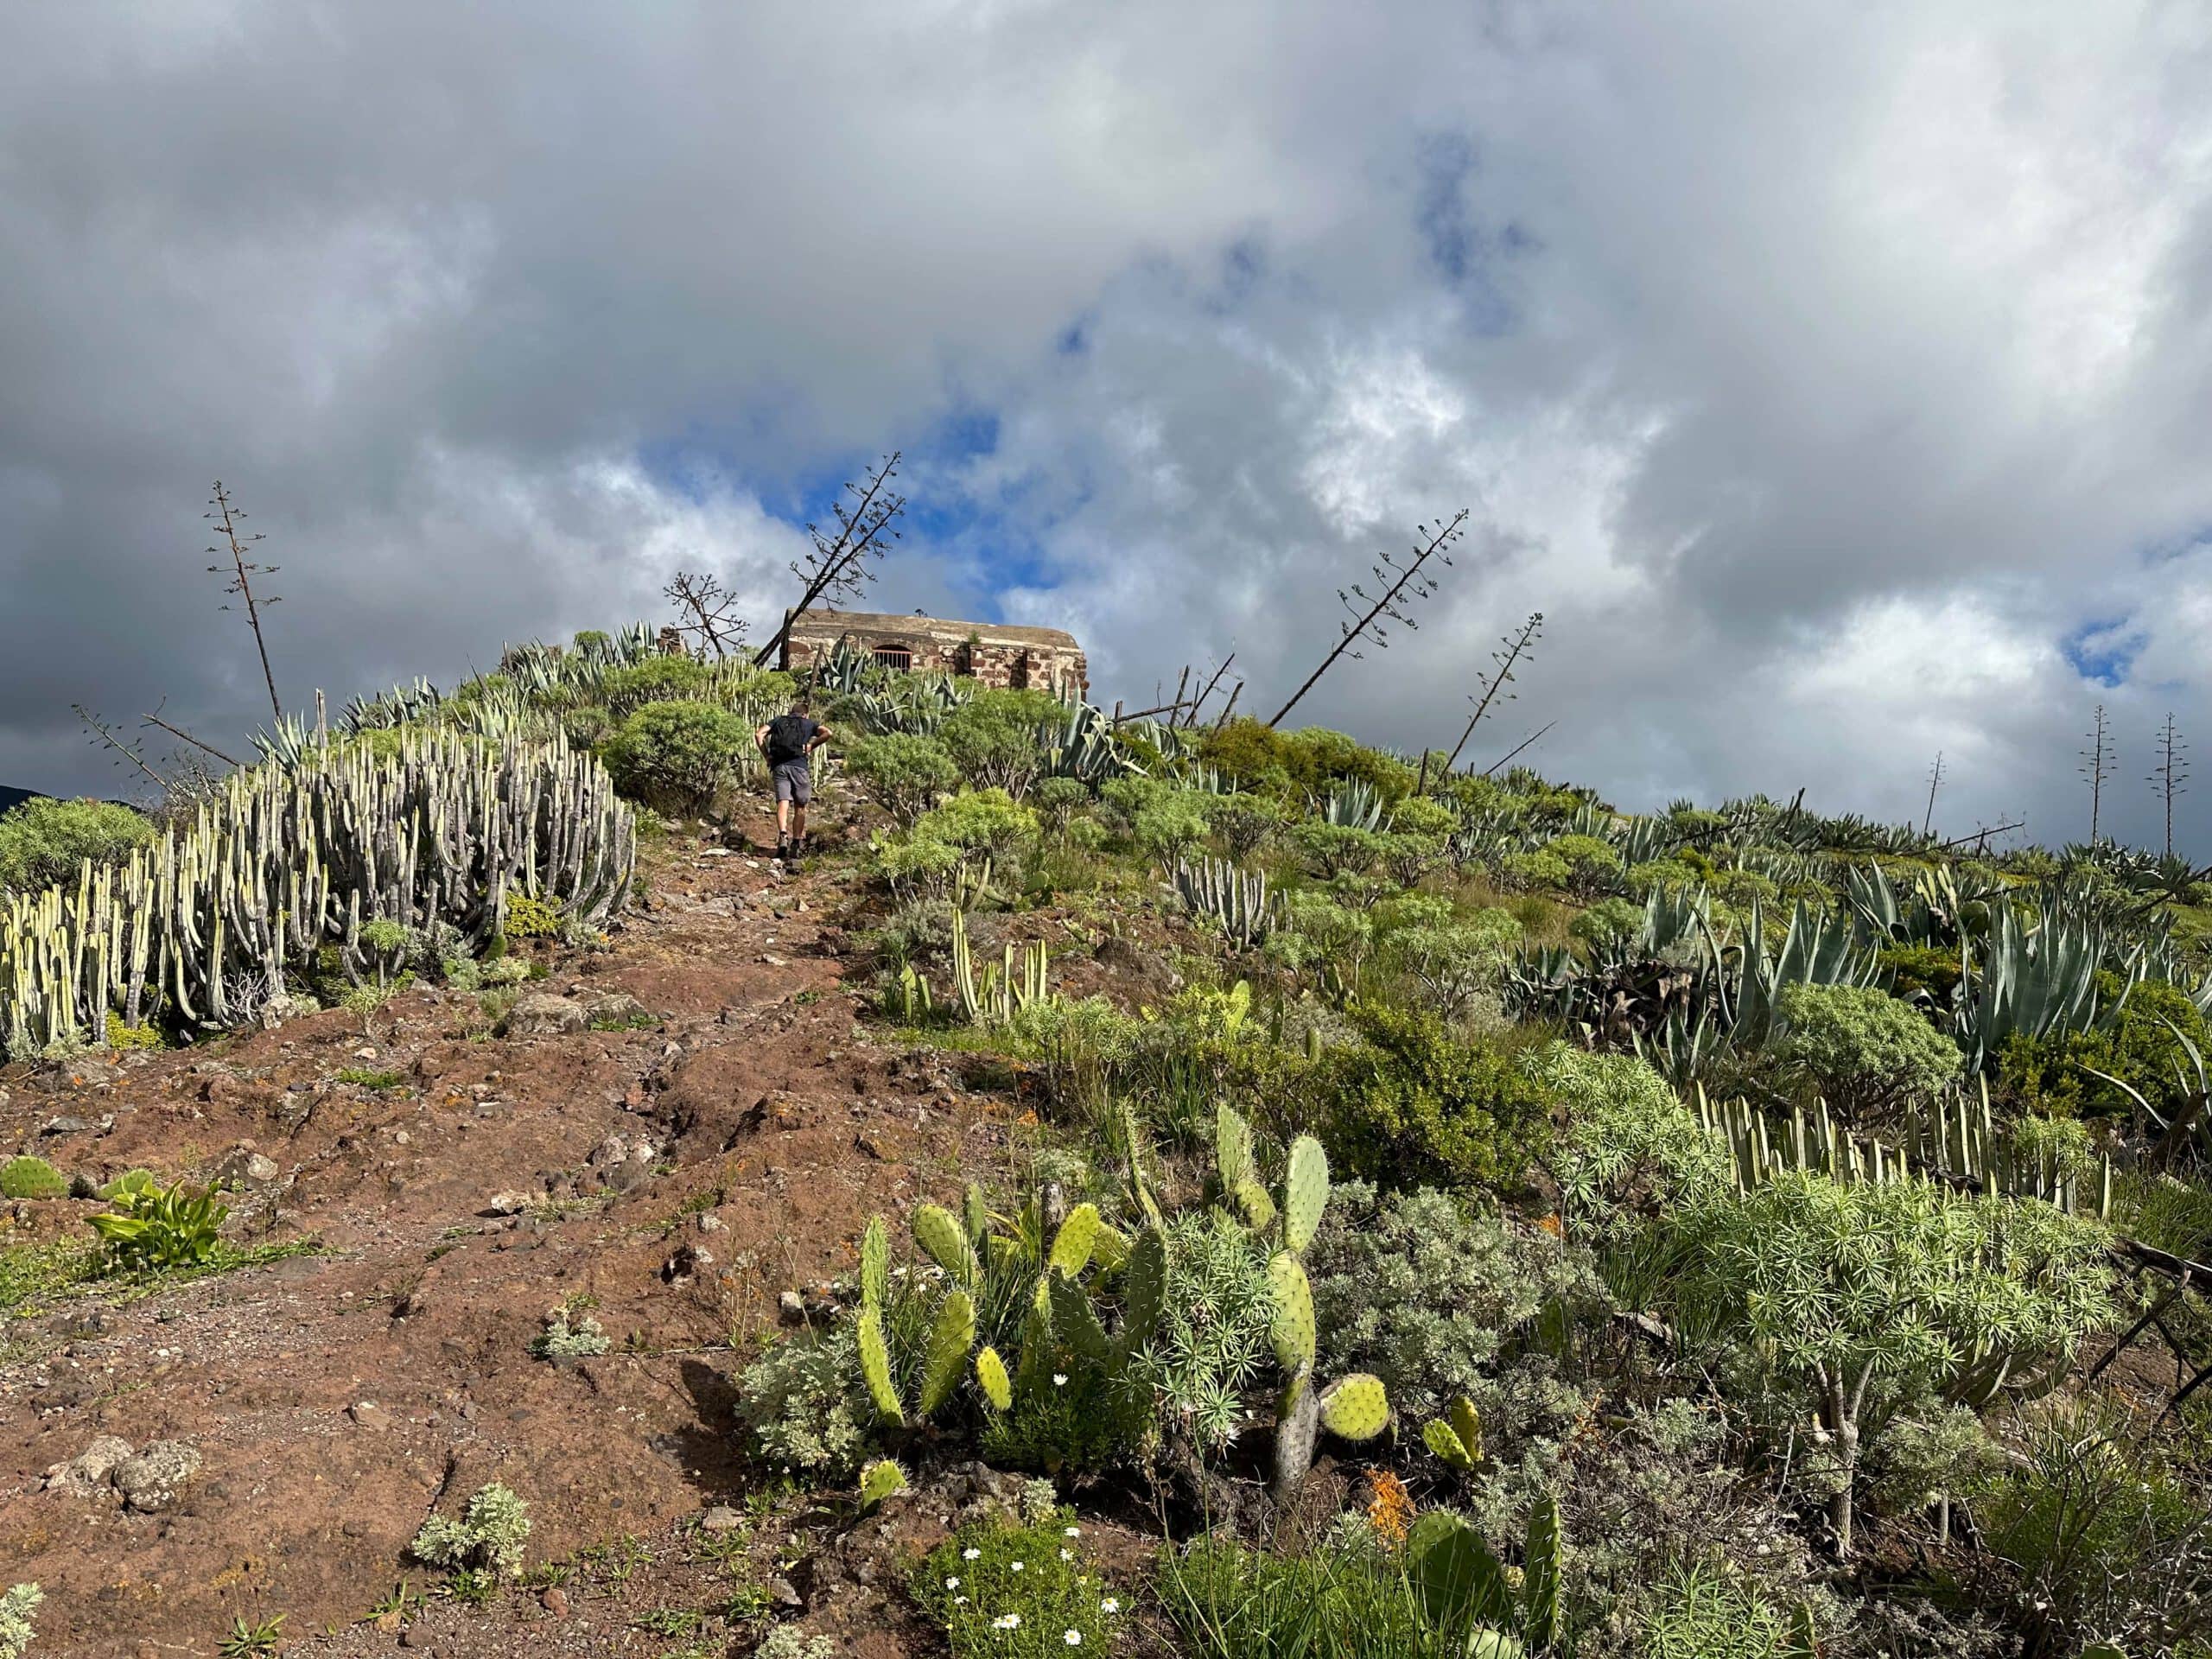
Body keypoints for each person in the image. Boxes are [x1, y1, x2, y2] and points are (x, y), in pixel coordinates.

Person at [755, 696, 831, 864]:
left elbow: (759, 733)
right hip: (799, 767)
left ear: (791, 712)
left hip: (779, 766)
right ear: (805, 714)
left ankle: (783, 835)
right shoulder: (809, 723)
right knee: (800, 805)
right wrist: (812, 745)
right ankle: (796, 842)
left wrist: (767, 755)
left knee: (783, 802)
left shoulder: (778, 721)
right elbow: (828, 733)